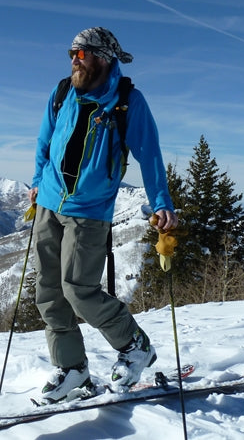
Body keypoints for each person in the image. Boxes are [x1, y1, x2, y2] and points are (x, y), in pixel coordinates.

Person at [29, 27, 178, 403]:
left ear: (102, 57)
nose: (74, 61)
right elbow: (44, 142)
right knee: (48, 293)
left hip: (90, 212)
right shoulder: (62, 92)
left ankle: (134, 345)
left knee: (78, 290)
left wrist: (161, 201)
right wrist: (36, 182)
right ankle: (72, 369)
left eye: (81, 54)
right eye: (71, 54)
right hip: (49, 203)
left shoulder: (127, 101)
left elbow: (150, 153)